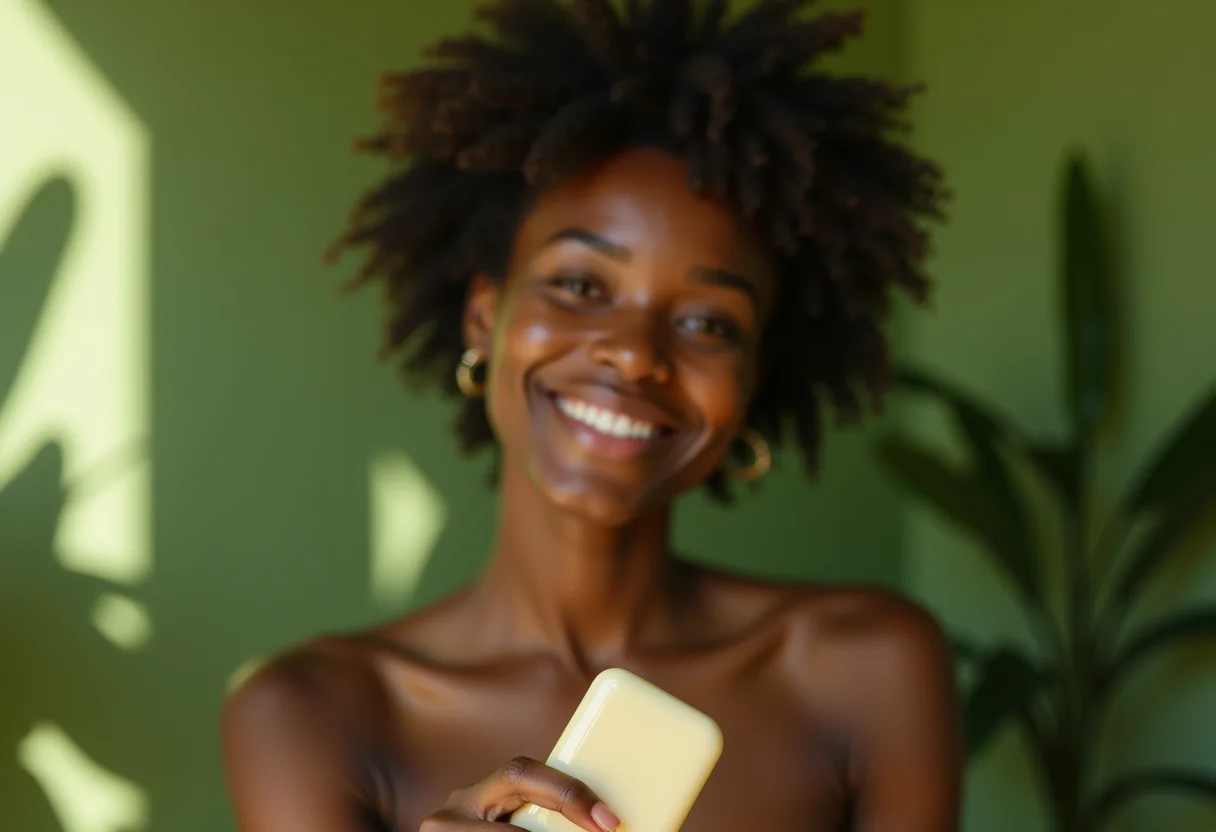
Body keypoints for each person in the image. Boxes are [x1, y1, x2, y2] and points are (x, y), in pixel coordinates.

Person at [221, 1, 961, 830]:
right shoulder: (311, 714)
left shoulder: (867, 669)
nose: (636, 354)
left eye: (709, 324)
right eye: (580, 285)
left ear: (752, 381)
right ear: (484, 319)